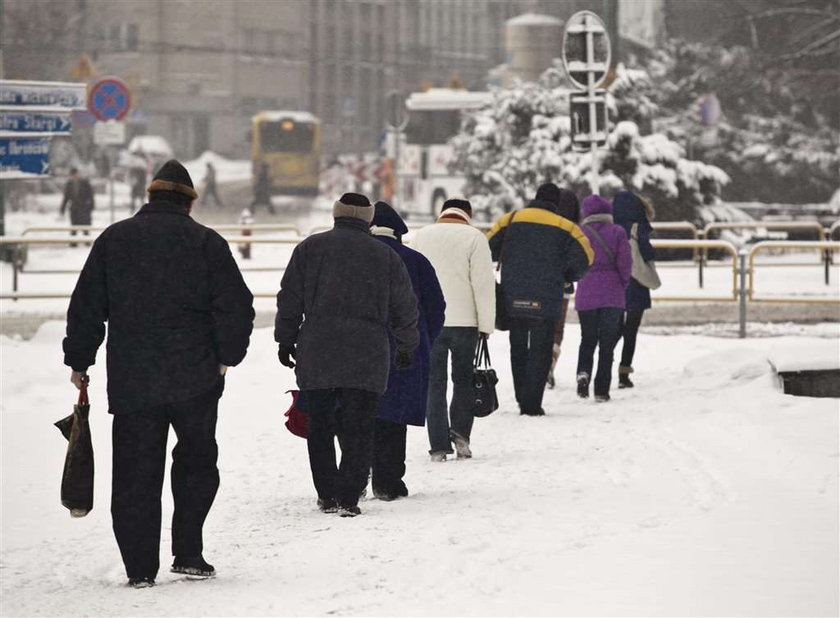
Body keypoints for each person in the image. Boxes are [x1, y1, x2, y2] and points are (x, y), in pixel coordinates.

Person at [63, 159, 255, 588]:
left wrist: (81, 360)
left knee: (135, 472)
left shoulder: (115, 239)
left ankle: (139, 567)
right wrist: (227, 356)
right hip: (197, 377)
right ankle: (188, 552)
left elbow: (87, 305)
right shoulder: (206, 243)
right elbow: (237, 306)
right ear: (189, 202)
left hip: (135, 377)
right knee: (196, 463)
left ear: (149, 196)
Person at [275, 193, 419, 517]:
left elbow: (290, 298)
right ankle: (349, 495)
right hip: (367, 350)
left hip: (318, 348)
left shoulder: (310, 249)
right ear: (368, 219)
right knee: (360, 425)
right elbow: (404, 307)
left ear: (336, 215)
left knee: (320, 425)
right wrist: (407, 346)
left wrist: (285, 340)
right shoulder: (385, 257)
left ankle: (326, 493)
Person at [488, 183, 593, 415]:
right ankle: (532, 403)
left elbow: (487, 248)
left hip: (513, 296)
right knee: (541, 349)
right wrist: (567, 275)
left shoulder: (511, 219)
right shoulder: (566, 227)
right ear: (555, 203)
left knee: (518, 347)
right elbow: (585, 258)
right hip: (546, 300)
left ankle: (520, 397)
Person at [369, 201, 446, 500]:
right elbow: (436, 308)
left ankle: (358, 473)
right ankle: (389, 481)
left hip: (363, 348)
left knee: (359, 412)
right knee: (394, 415)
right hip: (405, 348)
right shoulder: (416, 261)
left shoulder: (359, 258)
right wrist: (424, 338)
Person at [411, 199, 494, 460]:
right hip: (465, 323)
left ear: (442, 213)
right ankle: (461, 436)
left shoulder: (422, 236)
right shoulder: (475, 237)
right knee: (463, 381)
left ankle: (437, 446)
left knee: (434, 384)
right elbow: (482, 284)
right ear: (467, 215)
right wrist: (486, 325)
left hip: (430, 322)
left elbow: (412, 279)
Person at [574, 194, 633, 402]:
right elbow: (626, 263)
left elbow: (573, 261)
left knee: (587, 339)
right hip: (612, 294)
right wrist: (622, 283)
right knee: (607, 345)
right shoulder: (617, 232)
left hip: (586, 293)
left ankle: (583, 373)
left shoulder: (580, 232)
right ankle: (601, 390)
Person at [613, 191, 656, 388]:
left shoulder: (611, 226)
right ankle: (624, 371)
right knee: (631, 329)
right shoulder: (639, 227)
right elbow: (646, 251)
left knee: (615, 327)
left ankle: (603, 360)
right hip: (636, 283)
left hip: (615, 282)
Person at [546, 188, 582, 389]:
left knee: (542, 324)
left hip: (542, 284)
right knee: (558, 326)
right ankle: (552, 354)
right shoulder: (573, 229)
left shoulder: (547, 225)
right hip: (564, 283)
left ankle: (540, 361)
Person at [60, 167, 95, 243]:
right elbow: (66, 197)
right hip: (74, 209)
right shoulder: (69, 184)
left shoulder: (85, 183)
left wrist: (91, 206)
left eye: (75, 174)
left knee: (85, 227)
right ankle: (73, 243)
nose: (74, 177)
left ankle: (87, 242)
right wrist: (62, 209)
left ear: (78, 174)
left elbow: (90, 195)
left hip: (84, 208)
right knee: (74, 227)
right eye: (72, 175)